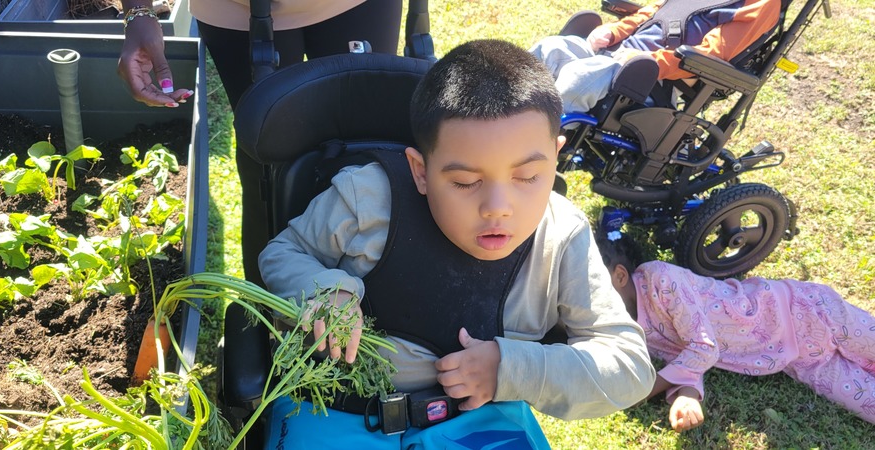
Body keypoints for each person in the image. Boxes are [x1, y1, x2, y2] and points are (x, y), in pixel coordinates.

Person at [257, 39, 656, 449]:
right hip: (334, 409)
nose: (498, 209)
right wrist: (325, 290)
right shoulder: (368, 200)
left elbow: (628, 366)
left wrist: (512, 369)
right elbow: (283, 254)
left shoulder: (561, 234)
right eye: (466, 182)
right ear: (421, 171)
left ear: (557, 157)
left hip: (480, 419)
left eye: (528, 177)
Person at [117, 0, 403, 286]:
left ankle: (364, 313)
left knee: (363, 165)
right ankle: (266, 316)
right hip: (238, 11)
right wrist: (138, 12)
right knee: (264, 170)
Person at [596, 231, 875, 431]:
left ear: (619, 276)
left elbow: (703, 346)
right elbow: (685, 359)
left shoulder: (659, 278)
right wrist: (686, 397)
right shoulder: (636, 329)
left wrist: (646, 390)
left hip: (810, 311)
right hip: (800, 360)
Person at [529, 0, 781, 113]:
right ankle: (498, 118)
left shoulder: (759, 4)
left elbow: (713, 54)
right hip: (618, 52)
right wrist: (612, 30)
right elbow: (652, 13)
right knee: (550, 48)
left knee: (579, 76)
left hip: (652, 74)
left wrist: (648, 61)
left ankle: (535, 150)